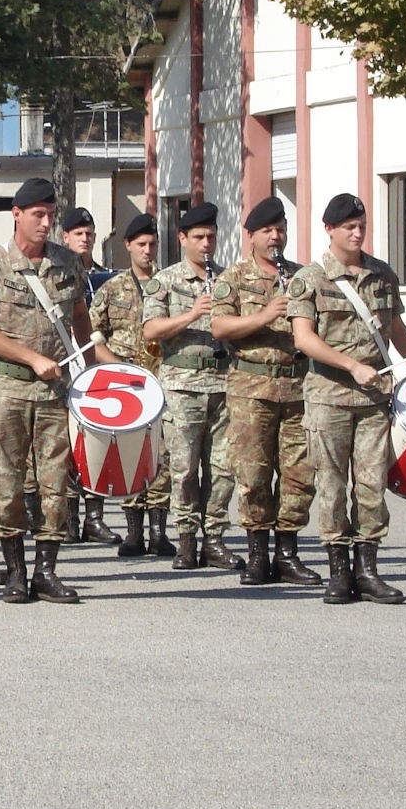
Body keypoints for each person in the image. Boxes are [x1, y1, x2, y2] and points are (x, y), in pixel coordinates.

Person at [287, 193, 406, 605]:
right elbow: (303, 338)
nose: (356, 232)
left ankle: (368, 570)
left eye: (361, 225)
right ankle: (339, 572)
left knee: (371, 485)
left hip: (374, 399)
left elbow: (395, 328)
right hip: (328, 398)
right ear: (329, 229)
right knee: (330, 485)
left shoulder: (381, 274)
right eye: (348, 226)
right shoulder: (309, 279)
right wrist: (350, 365)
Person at [0, 177, 92, 604]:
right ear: (16, 214)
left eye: (50, 215)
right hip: (9, 388)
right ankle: (15, 571)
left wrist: (92, 370)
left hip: (55, 392)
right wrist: (31, 358)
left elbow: (79, 319)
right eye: (38, 214)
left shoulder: (67, 263)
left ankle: (47, 571)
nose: (45, 223)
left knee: (56, 482)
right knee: (7, 480)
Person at [210, 197, 320, 586]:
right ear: (251, 236)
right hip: (251, 388)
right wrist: (264, 315)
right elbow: (220, 327)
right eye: (268, 231)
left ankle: (287, 553)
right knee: (253, 473)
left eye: (281, 229)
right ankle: (257, 554)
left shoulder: (303, 276)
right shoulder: (234, 277)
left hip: (297, 387)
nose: (276, 237)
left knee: (299, 474)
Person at [142, 202, 243, 572]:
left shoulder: (229, 279)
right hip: (182, 386)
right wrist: (191, 314)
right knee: (184, 469)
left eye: (212, 237)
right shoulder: (166, 281)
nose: (206, 244)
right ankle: (186, 539)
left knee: (222, 467)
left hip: (223, 383)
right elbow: (150, 330)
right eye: (199, 237)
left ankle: (214, 538)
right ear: (182, 238)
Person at [89, 213, 176, 558]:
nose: (148, 250)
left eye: (152, 244)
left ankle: (159, 531)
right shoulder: (112, 288)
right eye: (141, 244)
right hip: (126, 382)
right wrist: (115, 364)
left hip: (162, 379)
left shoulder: (168, 282)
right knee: (129, 454)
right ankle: (133, 532)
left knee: (162, 456)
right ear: (128, 246)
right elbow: (93, 337)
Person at [56, 205, 121, 547]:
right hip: (66, 363)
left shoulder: (103, 278)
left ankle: (95, 516)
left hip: (94, 362)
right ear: (65, 237)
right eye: (78, 233)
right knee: (67, 443)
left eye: (89, 233)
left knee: (95, 440)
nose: (84, 238)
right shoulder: (56, 274)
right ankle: (68, 516)